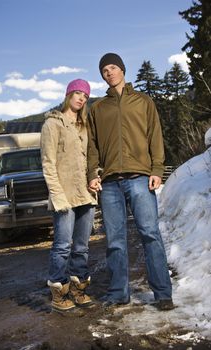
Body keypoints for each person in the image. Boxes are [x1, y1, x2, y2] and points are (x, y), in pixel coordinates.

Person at [87, 53, 174, 311]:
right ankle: (118, 293)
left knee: (150, 234)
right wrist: (93, 173)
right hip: (110, 183)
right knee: (114, 240)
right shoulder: (98, 109)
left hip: (140, 178)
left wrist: (156, 169)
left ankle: (162, 294)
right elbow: (92, 146)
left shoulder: (143, 101)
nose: (109, 72)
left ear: (123, 69)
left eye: (113, 67)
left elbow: (155, 136)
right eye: (104, 70)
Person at [41, 79, 97, 312]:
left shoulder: (84, 126)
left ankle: (78, 288)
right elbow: (48, 163)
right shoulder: (52, 124)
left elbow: (89, 159)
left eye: (84, 95)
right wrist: (57, 196)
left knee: (82, 247)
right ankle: (58, 292)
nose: (81, 98)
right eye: (77, 93)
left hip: (85, 194)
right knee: (63, 245)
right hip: (64, 197)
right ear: (68, 95)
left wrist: (95, 176)